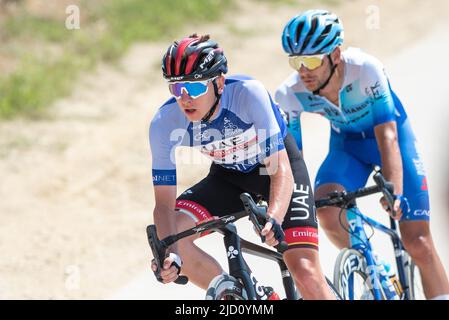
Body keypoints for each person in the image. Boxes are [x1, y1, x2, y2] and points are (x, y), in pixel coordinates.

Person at [275, 9, 449, 300]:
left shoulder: (366, 68)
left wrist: (394, 187)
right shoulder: (289, 94)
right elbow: (295, 161)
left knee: (417, 241)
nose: (303, 70)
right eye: (296, 61)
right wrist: (289, 207)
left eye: (312, 60)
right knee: (327, 210)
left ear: (336, 55)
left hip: (391, 139)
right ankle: (375, 269)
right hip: (348, 147)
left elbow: (389, 135)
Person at [149, 33, 336, 299]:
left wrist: (274, 217)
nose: (185, 98)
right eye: (176, 88)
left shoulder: (248, 93)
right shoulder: (164, 122)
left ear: (220, 83)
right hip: (228, 177)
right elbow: (164, 206)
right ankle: (237, 294)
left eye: (195, 88)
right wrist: (171, 257)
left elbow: (280, 169)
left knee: (305, 272)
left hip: (274, 172)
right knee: (170, 236)